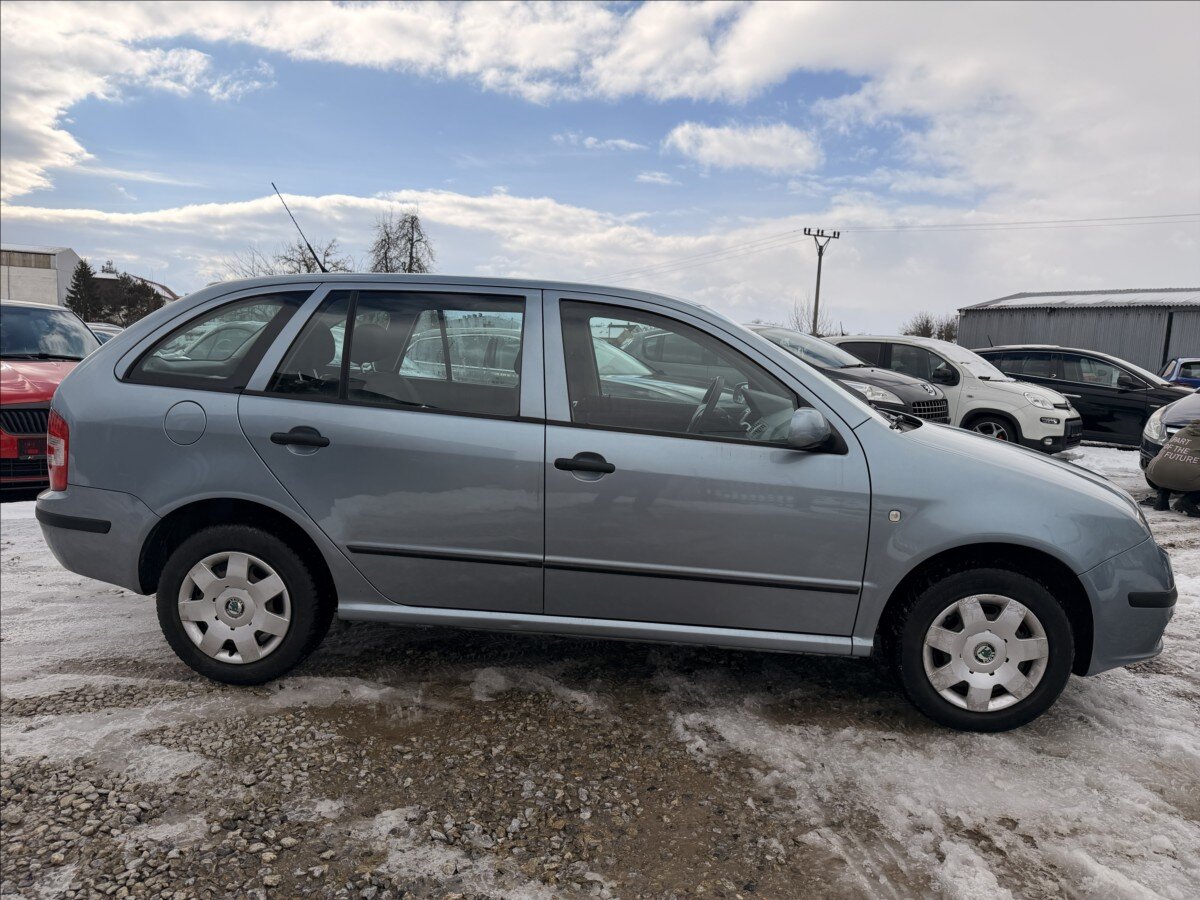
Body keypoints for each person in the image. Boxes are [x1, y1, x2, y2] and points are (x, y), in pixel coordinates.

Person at [1146, 419, 1200, 517]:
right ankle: (1189, 501)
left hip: (1155, 473)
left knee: (1174, 464)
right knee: (1184, 469)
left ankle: (1162, 496)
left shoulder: (1182, 431)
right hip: (1185, 477)